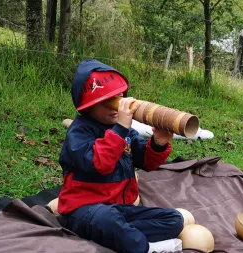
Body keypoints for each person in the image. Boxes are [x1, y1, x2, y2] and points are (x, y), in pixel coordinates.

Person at [57, 59, 184, 253]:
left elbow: (146, 161)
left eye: (117, 99)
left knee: (175, 220)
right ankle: (144, 248)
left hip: (121, 210)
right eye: (106, 102)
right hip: (85, 211)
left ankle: (122, 237)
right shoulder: (79, 133)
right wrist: (120, 129)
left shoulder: (126, 132)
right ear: (88, 106)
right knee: (106, 219)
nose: (114, 107)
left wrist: (158, 142)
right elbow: (99, 163)